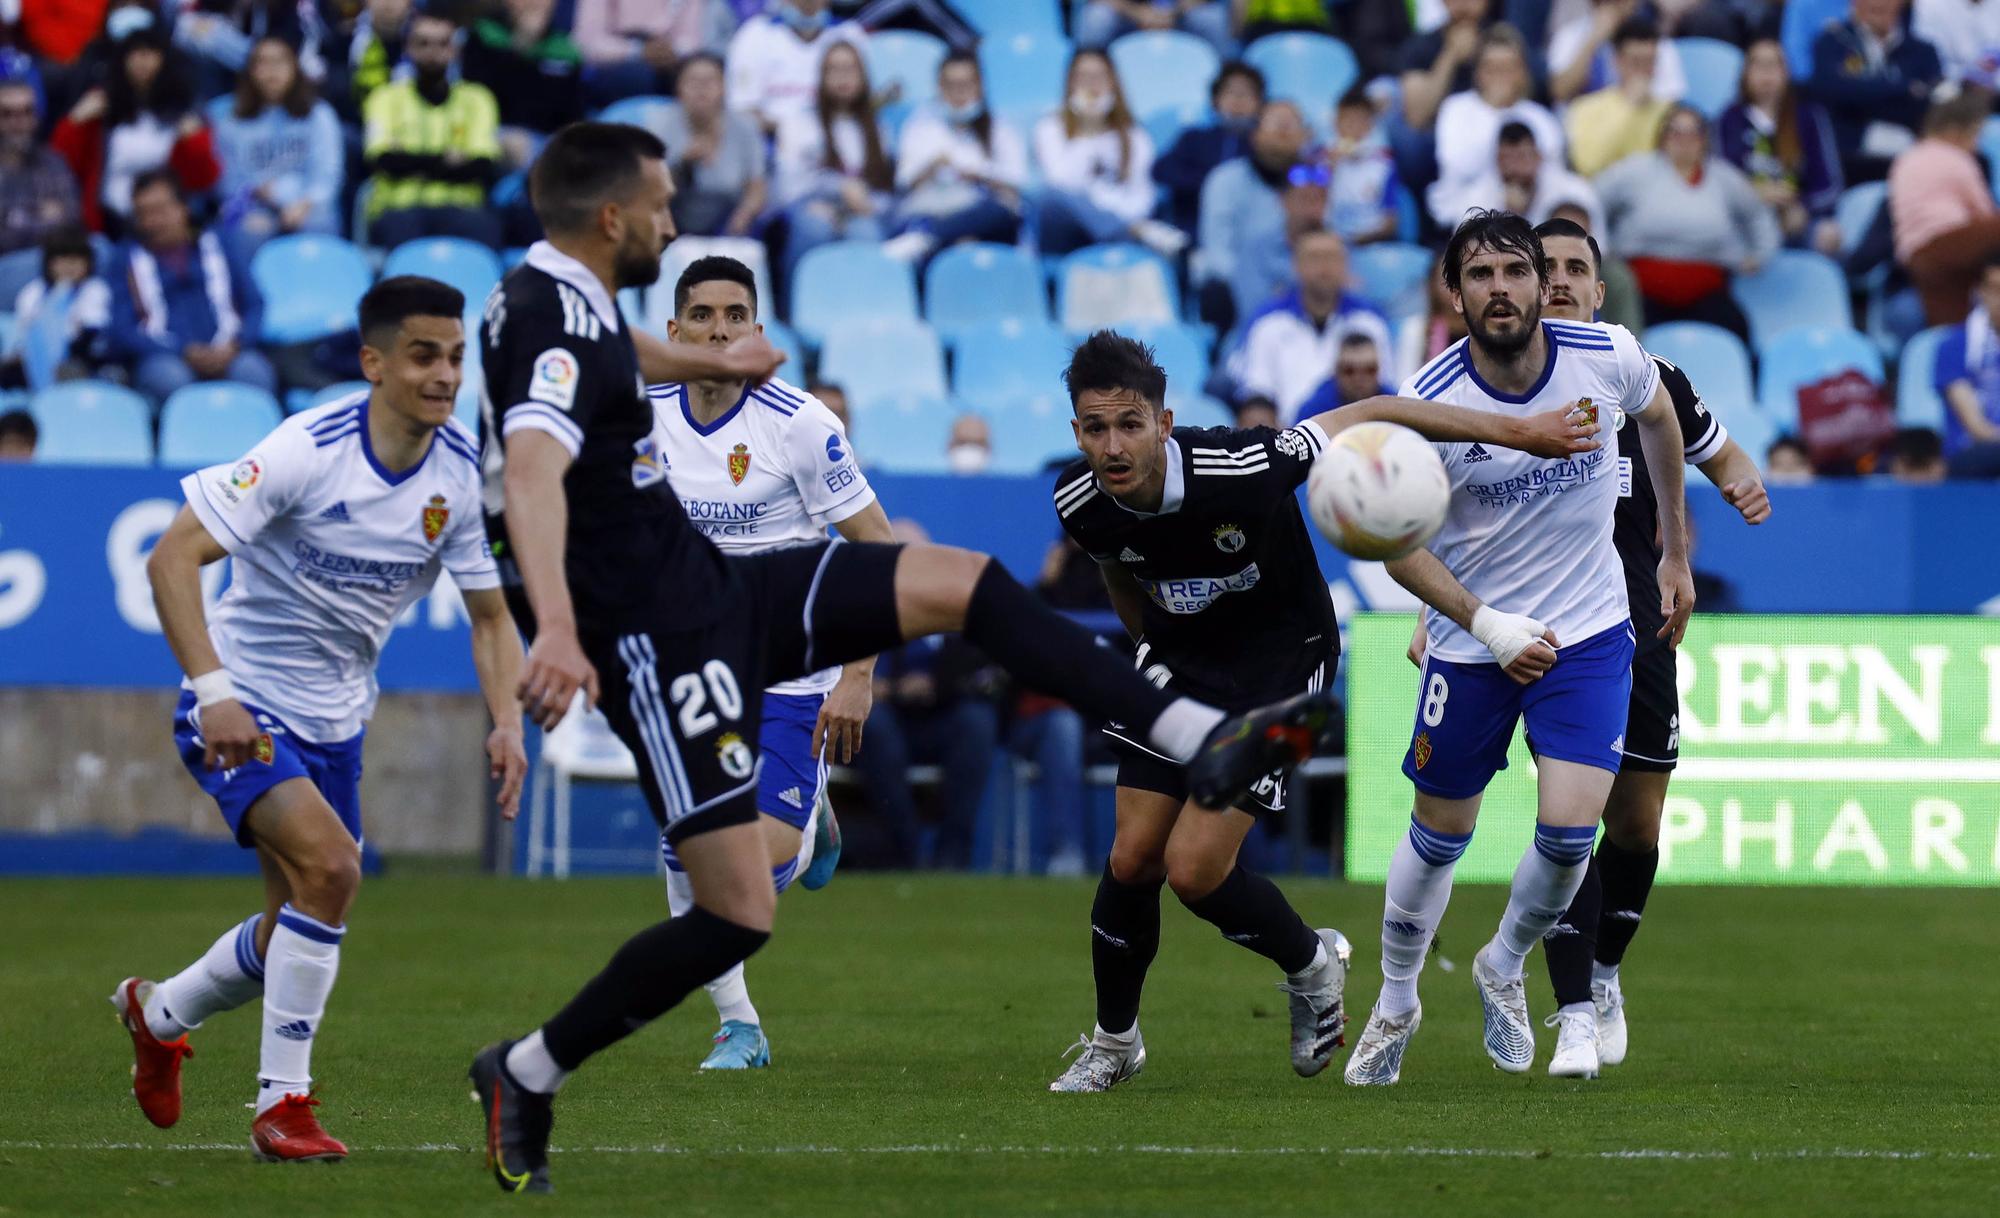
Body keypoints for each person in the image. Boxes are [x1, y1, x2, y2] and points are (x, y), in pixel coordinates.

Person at [467, 121, 1348, 1194]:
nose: (670, 220)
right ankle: (527, 1069)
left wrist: (710, 358)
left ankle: (1193, 739)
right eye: (658, 205)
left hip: (719, 588)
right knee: (739, 910)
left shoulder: (571, 300)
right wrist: (554, 627)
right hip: (657, 636)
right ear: (612, 218)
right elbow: (526, 472)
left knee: (955, 579)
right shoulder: (545, 322)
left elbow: (621, 353)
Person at [1045, 328, 1611, 1094]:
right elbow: (1118, 570)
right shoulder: (1079, 498)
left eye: (1129, 425)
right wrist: (1156, 656)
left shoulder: (1243, 467)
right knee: (1131, 859)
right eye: (1094, 428)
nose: (1112, 445)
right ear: (1075, 430)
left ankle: (1312, 966)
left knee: (1193, 870)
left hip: (1281, 664)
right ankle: (1115, 1043)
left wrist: (1521, 432)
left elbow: (1375, 409)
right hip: (1180, 663)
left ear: (1164, 423)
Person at [113, 275, 527, 1162]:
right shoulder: (308, 449)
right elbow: (172, 557)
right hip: (241, 702)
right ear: (374, 362)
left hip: (338, 720)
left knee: (295, 921)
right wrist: (214, 689)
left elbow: (492, 617)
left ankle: (160, 1013)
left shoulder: (458, 473)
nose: (445, 374)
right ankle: (283, 1108)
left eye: (456, 357)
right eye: (423, 355)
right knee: (335, 871)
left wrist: (506, 721)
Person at [1342, 209, 1695, 1087]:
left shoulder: (1604, 354)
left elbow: (1660, 420)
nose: (1499, 289)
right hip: (1474, 642)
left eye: (1513, 271)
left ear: (1543, 281)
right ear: (1453, 293)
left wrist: (1675, 549)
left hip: (1586, 631)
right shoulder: (1430, 399)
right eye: (1479, 275)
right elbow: (1392, 537)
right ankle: (1395, 1002)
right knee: (1440, 833)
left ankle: (1503, 963)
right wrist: (1481, 621)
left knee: (1574, 834)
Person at [1524, 216, 1771, 1079]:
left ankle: (1604, 972)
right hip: (1553, 633)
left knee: (1637, 825)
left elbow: (1713, 446)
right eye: (1541, 266)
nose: (1555, 279)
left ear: (1599, 288)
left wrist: (1738, 481)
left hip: (1644, 625)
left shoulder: (1647, 377)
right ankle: (1574, 1015)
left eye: (1572, 268)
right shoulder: (1499, 384)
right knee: (1569, 821)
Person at [644, 255, 883, 1066]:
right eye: (702, 316)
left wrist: (857, 677)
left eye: (734, 315)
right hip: (692, 673)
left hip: (791, 674)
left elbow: (876, 553)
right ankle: (739, 1023)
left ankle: (808, 827)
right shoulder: (637, 422)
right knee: (685, 850)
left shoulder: (801, 422)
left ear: (757, 330)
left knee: (752, 869)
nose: (718, 330)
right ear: (673, 333)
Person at [1596, 105, 1779, 341]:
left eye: (1692, 133)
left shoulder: (1724, 178)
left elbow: (1757, 213)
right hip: (1643, 292)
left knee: (1737, 328)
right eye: (1675, 132)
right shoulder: (1635, 171)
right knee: (1623, 341)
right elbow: (1591, 199)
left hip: (1707, 293)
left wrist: (1759, 255)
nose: (1684, 141)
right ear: (1663, 137)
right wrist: (1601, 248)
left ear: (1704, 139)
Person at [107, 169, 276, 403]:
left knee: (253, 372)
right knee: (170, 378)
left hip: (230, 349)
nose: (151, 222)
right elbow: (122, 329)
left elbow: (254, 304)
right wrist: (183, 352)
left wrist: (236, 345)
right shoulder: (126, 259)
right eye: (142, 214)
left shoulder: (220, 243)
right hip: (167, 357)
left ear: (183, 208)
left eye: (159, 210)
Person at [51, 26, 219, 236]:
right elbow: (60, 165)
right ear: (122, 60)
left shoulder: (185, 108)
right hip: (110, 222)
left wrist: (194, 141)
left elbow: (204, 180)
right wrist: (74, 122)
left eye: (150, 53)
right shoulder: (100, 105)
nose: (142, 60)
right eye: (134, 53)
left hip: (168, 224)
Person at [361, 8, 504, 249]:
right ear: (408, 48)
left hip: (462, 209)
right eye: (423, 43)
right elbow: (383, 161)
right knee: (399, 231)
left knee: (486, 229)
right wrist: (448, 161)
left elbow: (482, 166)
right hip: (399, 209)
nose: (433, 52)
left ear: (454, 50)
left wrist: (409, 158)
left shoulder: (478, 99)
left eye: (442, 44)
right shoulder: (384, 98)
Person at [1232, 228, 1395, 426]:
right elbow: (1256, 393)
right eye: (1314, 258)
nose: (1324, 267)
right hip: (1287, 440)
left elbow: (1383, 390)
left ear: (1346, 265)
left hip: (1357, 437)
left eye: (1332, 258)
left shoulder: (1370, 322)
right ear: (1295, 265)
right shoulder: (1268, 323)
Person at [880, 50, 1029, 264]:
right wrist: (931, 167)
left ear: (980, 86)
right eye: (951, 85)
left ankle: (928, 238)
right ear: (939, 87)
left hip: (984, 212)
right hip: (934, 207)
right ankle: (939, 239)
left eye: (966, 85)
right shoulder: (920, 123)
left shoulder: (1000, 127)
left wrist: (978, 174)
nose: (959, 94)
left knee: (1001, 211)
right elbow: (903, 182)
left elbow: (1016, 182)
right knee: (959, 240)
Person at [1032, 50, 1183, 258]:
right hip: (1068, 235)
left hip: (1122, 222)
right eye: (1082, 77)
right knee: (1050, 197)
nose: (1091, 86)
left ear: (1113, 82)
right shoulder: (1050, 128)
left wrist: (1112, 216)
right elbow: (1061, 183)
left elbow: (1143, 196)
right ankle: (1134, 232)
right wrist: (1087, 129)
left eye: (1098, 77)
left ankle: (1123, 232)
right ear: (1069, 83)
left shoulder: (1135, 135)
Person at [211, 36, 343, 263]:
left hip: (307, 203)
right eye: (262, 63)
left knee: (318, 223)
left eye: (280, 62)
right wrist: (251, 202)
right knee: (245, 233)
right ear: (250, 71)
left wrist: (301, 203)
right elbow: (228, 182)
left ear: (295, 68)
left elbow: (327, 176)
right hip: (253, 206)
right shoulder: (231, 121)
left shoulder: (319, 115)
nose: (272, 71)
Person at [773, 41, 895, 285]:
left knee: (866, 233)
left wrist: (868, 206)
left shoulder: (879, 129)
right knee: (816, 227)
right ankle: (795, 308)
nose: (843, 77)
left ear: (863, 76)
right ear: (821, 76)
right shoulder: (800, 123)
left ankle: (867, 307)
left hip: (863, 212)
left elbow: (887, 191)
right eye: (834, 70)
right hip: (809, 206)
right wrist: (836, 189)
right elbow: (787, 187)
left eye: (850, 70)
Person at [1426, 27, 1564, 232]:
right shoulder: (1456, 108)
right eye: (1492, 68)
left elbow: (1552, 174)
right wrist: (1498, 112)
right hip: (1464, 215)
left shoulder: (1540, 117)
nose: (1500, 76)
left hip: (1532, 216)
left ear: (1523, 73)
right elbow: (1458, 164)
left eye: (1508, 68)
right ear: (1478, 72)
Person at [1718, 38, 1845, 254]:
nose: (1766, 74)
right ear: (1744, 74)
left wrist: (1802, 207)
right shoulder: (1727, 120)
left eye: (1774, 65)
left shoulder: (1810, 118)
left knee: (1829, 234)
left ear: (1786, 73)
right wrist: (1755, 195)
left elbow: (1830, 185)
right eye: (1758, 65)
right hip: (1746, 219)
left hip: (1798, 218)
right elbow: (1719, 183)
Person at [1195, 99, 1312, 327]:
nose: (1283, 132)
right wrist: (1260, 290)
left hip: (1301, 292)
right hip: (1238, 293)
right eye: (1276, 124)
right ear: (1255, 134)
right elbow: (1218, 253)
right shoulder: (1225, 180)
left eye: (1291, 125)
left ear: (1306, 136)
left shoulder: (1315, 182)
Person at [1889, 90, 2000, 326]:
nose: (1976, 144)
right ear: (1955, 131)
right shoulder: (1955, 159)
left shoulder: (1906, 159)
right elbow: (1983, 211)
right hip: (1949, 241)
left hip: (1915, 255)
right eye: (1975, 134)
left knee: (1951, 317)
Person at [1807, 0, 1944, 184]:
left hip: (1913, 153)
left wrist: (1864, 89)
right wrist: (1904, 88)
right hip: (1852, 158)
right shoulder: (1832, 43)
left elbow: (1929, 101)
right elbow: (1832, 91)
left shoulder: (1923, 51)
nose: (1879, 3)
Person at [461, 0, 587, 169]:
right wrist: (523, 44)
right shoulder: (483, 36)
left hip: (547, 140)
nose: (535, 4)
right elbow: (480, 96)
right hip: (493, 131)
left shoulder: (565, 49)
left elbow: (571, 114)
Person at [655, 52, 767, 239]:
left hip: (729, 218)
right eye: (693, 81)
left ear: (724, 87)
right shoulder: (661, 126)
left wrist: (743, 216)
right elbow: (652, 194)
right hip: (675, 219)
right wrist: (683, 165)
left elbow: (757, 187)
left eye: (709, 81)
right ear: (678, 88)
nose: (701, 89)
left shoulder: (746, 127)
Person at [1152, 61, 1264, 238]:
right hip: (1193, 230)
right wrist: (1213, 183)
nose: (1238, 100)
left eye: (1247, 94)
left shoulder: (1265, 145)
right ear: (1215, 99)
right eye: (1231, 92)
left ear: (1260, 102)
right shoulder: (1194, 138)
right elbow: (1161, 171)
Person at [725, 0, 868, 134]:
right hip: (769, 147)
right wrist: (792, 130)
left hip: (839, 143)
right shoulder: (755, 34)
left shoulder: (849, 34)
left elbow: (866, 104)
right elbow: (741, 111)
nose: (808, 3)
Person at [1444, 120, 1604, 236]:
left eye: (1522, 157)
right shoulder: (1475, 200)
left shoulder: (1574, 191)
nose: (1515, 168)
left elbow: (1598, 249)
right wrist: (1511, 217)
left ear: (1538, 157)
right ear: (1496, 161)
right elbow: (1464, 258)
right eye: (1507, 159)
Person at [2, 225, 110, 390]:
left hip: (78, 356)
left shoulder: (95, 290)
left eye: (76, 260)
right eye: (62, 260)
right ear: (49, 263)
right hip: (34, 358)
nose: (69, 266)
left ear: (88, 263)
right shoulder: (33, 292)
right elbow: (22, 331)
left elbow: (92, 330)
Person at [574, 0, 737, 110]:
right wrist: (638, 51)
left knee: (704, 77)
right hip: (618, 60)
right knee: (642, 77)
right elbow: (588, 41)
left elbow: (691, 39)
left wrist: (673, 50)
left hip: (670, 57)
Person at [1564, 17, 1674, 178]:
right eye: (1636, 62)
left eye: (1650, 62)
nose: (1643, 70)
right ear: (1617, 62)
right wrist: (1628, 106)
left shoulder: (1669, 112)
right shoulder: (1585, 108)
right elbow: (1589, 165)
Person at [1927, 253, 2000, 476]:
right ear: (1980, 292)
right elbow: (1976, 426)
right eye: (1996, 289)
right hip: (1972, 454)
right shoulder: (1954, 346)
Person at [1548, 0, 1689, 105]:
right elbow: (1560, 92)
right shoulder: (1569, 36)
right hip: (1582, 131)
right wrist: (1593, 40)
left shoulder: (1655, 41)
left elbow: (1671, 102)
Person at [0, 78, 83, 257]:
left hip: (53, 262)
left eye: (26, 112)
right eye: (7, 114)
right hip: (6, 268)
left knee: (100, 248)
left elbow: (71, 221)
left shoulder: (53, 163)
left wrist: (14, 218)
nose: (18, 122)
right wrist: (42, 215)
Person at [1323, 88, 1401, 248]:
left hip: (1372, 243)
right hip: (1330, 240)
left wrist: (1359, 240)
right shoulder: (1321, 160)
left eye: (1360, 120)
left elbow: (1390, 221)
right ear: (1335, 123)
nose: (1353, 127)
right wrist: (1328, 170)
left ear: (1370, 125)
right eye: (1347, 120)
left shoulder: (1385, 166)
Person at [1074, 0, 1237, 56]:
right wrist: (1139, 13)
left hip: (1179, 15)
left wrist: (1173, 13)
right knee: (1096, 18)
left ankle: (1224, 81)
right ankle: (1086, 74)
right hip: (1126, 16)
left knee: (1213, 18)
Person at [1294, 331, 1392, 422]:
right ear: (1336, 371)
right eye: (1349, 371)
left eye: (1369, 370)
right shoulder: (1313, 413)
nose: (1359, 379)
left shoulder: (1393, 404)